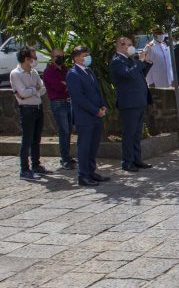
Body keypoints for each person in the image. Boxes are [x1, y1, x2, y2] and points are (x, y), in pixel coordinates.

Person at [65, 46, 108, 186]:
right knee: (84, 146)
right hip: (85, 117)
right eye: (84, 55)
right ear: (76, 57)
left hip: (96, 115)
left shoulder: (89, 71)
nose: (87, 57)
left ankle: (91, 171)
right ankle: (83, 175)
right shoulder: (73, 74)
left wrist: (102, 106)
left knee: (93, 145)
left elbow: (97, 91)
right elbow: (79, 98)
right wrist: (95, 110)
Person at [109, 36, 154, 172]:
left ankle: (136, 159)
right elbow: (129, 75)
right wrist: (139, 61)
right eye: (127, 44)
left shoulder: (130, 60)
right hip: (129, 103)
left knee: (136, 133)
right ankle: (127, 161)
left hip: (139, 101)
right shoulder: (117, 61)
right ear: (121, 46)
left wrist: (145, 62)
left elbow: (139, 74)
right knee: (129, 133)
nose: (130, 47)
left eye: (130, 44)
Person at [10, 46, 48, 180]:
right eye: (33, 57)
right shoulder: (16, 74)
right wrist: (34, 89)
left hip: (37, 107)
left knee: (36, 139)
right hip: (27, 109)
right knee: (27, 139)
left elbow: (43, 89)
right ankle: (24, 170)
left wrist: (31, 90)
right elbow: (22, 93)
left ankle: (36, 165)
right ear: (26, 59)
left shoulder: (34, 72)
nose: (35, 60)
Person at [42, 47, 76, 170]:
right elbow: (58, 87)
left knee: (69, 131)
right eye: (57, 56)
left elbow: (71, 83)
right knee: (64, 131)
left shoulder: (65, 69)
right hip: (58, 103)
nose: (60, 58)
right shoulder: (49, 71)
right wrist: (66, 85)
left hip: (68, 102)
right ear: (52, 58)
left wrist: (66, 85)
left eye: (62, 56)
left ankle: (67, 156)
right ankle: (64, 158)